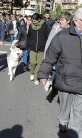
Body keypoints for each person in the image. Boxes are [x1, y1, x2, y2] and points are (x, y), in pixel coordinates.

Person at [38, 8, 82, 137]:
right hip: (65, 80)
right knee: (64, 106)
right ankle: (63, 121)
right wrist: (43, 74)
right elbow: (50, 56)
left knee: (78, 114)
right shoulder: (62, 36)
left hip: (80, 83)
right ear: (75, 21)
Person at [26, 13, 50, 85]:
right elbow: (28, 36)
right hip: (33, 47)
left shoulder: (45, 26)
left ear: (39, 19)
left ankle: (36, 78)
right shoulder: (31, 26)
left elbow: (48, 37)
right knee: (33, 62)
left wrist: (47, 47)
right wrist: (27, 46)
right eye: (32, 20)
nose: (33, 22)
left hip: (41, 48)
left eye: (34, 21)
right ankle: (32, 73)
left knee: (39, 64)